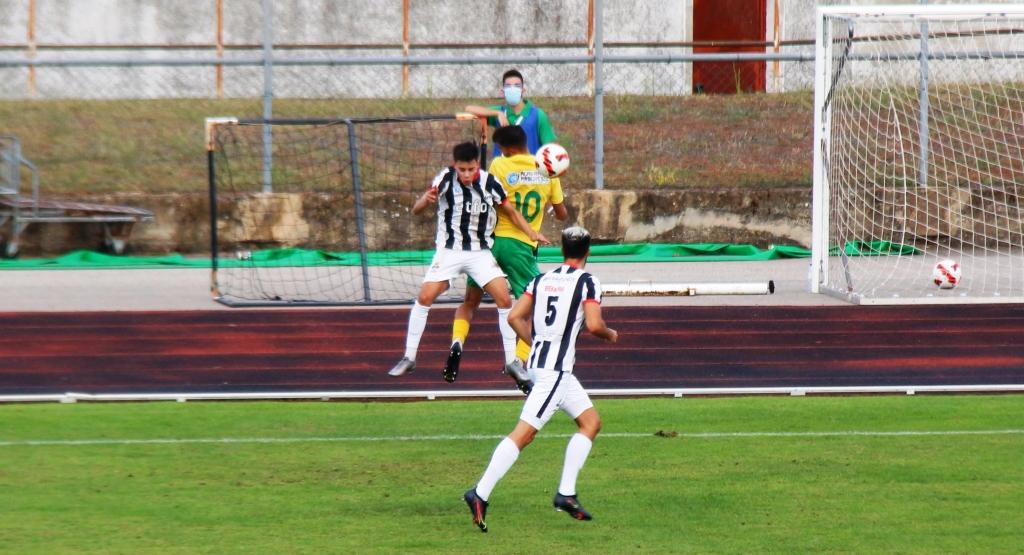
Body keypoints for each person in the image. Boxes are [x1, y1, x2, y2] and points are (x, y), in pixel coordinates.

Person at [462, 226, 619, 533]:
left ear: (562, 250)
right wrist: (610, 334)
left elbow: (514, 317)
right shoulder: (588, 282)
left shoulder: (541, 280)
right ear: (588, 252)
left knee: (591, 422)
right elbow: (594, 324)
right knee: (524, 434)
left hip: (543, 366)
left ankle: (566, 494)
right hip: (554, 373)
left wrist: (535, 344)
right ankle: (479, 493)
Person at [387, 142, 549, 379]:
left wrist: (532, 233)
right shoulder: (445, 179)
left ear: (477, 165)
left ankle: (511, 362)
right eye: (462, 170)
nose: (466, 174)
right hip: (449, 251)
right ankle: (409, 357)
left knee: (504, 299)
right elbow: (416, 210)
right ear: (455, 166)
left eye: (471, 169)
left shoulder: (490, 183)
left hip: (480, 253)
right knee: (424, 297)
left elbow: (512, 212)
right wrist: (424, 200)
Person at [443, 125, 568, 393]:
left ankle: (457, 341)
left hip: (488, 245)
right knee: (535, 307)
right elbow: (562, 214)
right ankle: (518, 361)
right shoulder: (547, 170)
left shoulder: (500, 165)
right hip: (520, 247)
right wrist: (553, 185)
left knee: (469, 303)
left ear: (508, 149)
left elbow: (487, 192)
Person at [465, 68, 557, 157]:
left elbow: (550, 148)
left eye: (517, 86)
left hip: (529, 166)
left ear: (523, 91)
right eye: (508, 86)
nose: (512, 89)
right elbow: (469, 109)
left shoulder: (538, 114)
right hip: (502, 166)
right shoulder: (499, 111)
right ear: (503, 92)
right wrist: (498, 113)